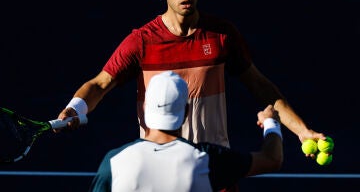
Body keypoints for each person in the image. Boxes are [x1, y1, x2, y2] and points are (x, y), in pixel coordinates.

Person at [56, 0, 324, 152]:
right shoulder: (142, 41)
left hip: (213, 163)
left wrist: (302, 131)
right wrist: (73, 108)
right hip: (159, 163)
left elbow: (260, 86)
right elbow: (100, 84)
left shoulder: (222, 35)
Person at [89, 71, 283, 192]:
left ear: (146, 107)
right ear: (187, 111)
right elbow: (271, 159)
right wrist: (271, 123)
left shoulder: (113, 162)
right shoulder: (208, 159)